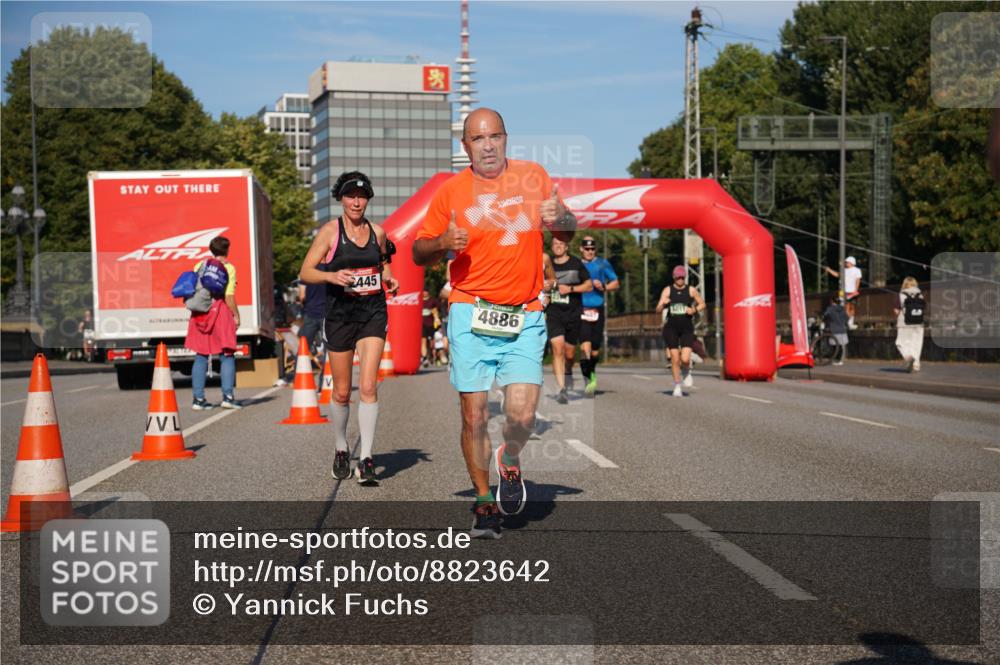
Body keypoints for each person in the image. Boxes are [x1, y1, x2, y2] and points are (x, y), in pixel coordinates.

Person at [412, 107, 575, 538]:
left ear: (506, 139)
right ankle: (485, 503)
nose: (488, 146)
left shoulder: (534, 176)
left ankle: (511, 457)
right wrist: (444, 242)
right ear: (465, 146)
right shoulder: (451, 192)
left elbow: (567, 228)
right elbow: (418, 251)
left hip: (525, 312)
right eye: (478, 139)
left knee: (521, 416)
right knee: (474, 415)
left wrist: (562, 221)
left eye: (495, 137)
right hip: (471, 309)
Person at [299, 171, 399, 487]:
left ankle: (367, 458)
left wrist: (389, 278)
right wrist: (331, 277)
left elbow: (384, 262)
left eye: (362, 196)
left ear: (368, 199)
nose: (356, 202)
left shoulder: (378, 232)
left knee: (368, 387)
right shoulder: (330, 232)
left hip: (372, 313)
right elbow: (306, 271)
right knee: (342, 391)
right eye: (350, 196)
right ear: (341, 199)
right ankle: (342, 448)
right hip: (340, 314)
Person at [185, 236, 241, 410]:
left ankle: (198, 399)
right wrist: (236, 316)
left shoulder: (199, 265)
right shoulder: (228, 268)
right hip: (220, 312)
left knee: (201, 355)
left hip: (200, 313)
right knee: (227, 354)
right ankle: (228, 397)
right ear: (227, 250)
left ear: (211, 249)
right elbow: (229, 296)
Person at [546, 236, 592, 404]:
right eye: (555, 244)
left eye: (561, 244)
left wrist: (571, 288)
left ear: (566, 247)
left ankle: (568, 371)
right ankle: (562, 389)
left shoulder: (576, 263)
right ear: (551, 247)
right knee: (557, 349)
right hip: (554, 313)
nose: (558, 247)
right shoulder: (547, 263)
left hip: (573, 313)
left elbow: (589, 285)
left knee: (569, 354)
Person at [655, 265, 706, 397]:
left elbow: (702, 304)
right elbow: (657, 310)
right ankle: (677, 385)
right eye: (678, 277)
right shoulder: (667, 290)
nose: (680, 280)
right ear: (673, 277)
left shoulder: (691, 290)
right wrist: (663, 303)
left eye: (682, 277)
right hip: (671, 328)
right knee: (674, 359)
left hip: (686, 328)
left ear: (685, 277)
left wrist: (694, 310)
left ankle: (687, 370)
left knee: (684, 358)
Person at [578, 236, 619, 397]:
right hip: (580, 308)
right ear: (581, 249)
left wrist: (604, 287)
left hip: (597, 309)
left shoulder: (602, 263)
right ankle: (587, 380)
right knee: (584, 348)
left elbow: (616, 282)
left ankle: (592, 371)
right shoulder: (576, 264)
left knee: (595, 351)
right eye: (587, 248)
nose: (589, 251)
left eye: (592, 249)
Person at [893, 276, 925, 373]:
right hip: (919, 323)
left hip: (904, 323)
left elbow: (896, 311)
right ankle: (916, 365)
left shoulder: (901, 295)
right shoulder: (920, 295)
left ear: (904, 284)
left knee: (900, 343)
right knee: (916, 344)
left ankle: (908, 357)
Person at [825, 257, 863, 330]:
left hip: (852, 291)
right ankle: (844, 323)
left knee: (851, 307)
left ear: (852, 263)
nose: (846, 263)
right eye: (846, 262)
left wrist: (856, 290)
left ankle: (850, 323)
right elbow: (837, 275)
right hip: (842, 291)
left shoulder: (857, 270)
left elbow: (858, 280)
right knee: (843, 306)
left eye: (847, 262)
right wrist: (829, 270)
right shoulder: (844, 270)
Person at [297, 278, 326, 358]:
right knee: (328, 345)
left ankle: (300, 367)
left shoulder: (307, 272)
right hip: (326, 313)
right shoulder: (329, 269)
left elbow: (302, 296)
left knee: (305, 345)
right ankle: (327, 368)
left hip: (310, 313)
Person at [822, 295, 849, 366]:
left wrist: (827, 320)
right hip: (842, 329)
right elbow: (846, 318)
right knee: (841, 345)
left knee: (835, 346)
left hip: (834, 330)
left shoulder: (830, 308)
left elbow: (824, 316)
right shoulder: (842, 308)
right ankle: (840, 360)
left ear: (832, 301)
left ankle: (836, 359)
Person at [420, 289, 439, 367]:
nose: (425, 293)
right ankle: (424, 358)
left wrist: (436, 318)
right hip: (422, 324)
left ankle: (432, 355)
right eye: (423, 291)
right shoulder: (419, 300)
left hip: (431, 324)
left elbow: (436, 310)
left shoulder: (433, 300)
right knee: (423, 341)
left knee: (431, 342)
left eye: (426, 291)